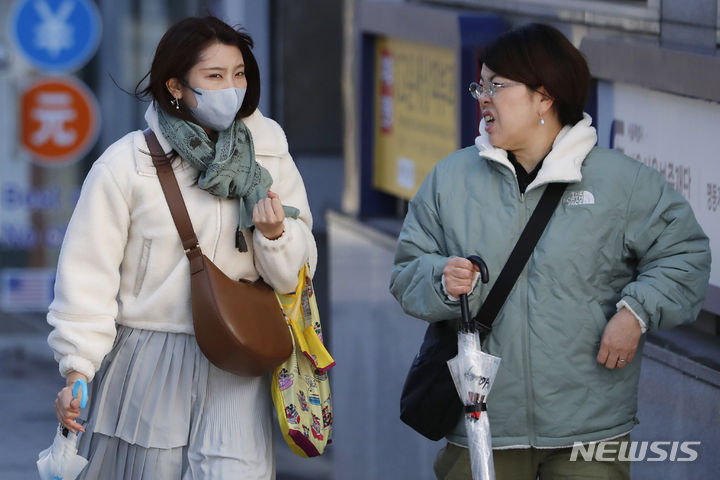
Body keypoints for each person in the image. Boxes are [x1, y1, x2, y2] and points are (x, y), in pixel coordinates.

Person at [390, 23, 710, 480]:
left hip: (589, 428)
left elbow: (685, 254)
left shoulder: (621, 182)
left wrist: (636, 313)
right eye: (480, 85)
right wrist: (441, 279)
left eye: (497, 85)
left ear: (545, 97)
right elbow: (405, 271)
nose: (483, 96)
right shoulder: (450, 178)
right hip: (481, 425)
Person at [49, 16, 316, 479]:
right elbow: (87, 277)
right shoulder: (127, 165)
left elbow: (299, 271)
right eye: (214, 76)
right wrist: (78, 368)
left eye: (239, 74)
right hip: (150, 354)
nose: (230, 88)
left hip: (238, 352)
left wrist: (276, 237)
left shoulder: (269, 155)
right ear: (175, 85)